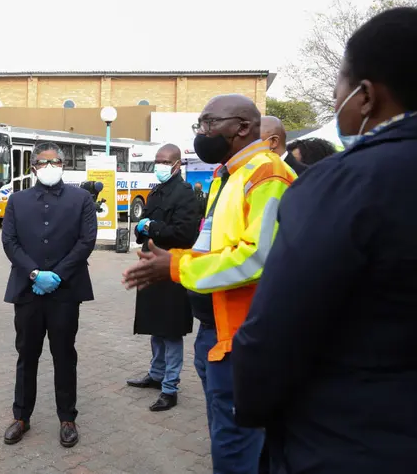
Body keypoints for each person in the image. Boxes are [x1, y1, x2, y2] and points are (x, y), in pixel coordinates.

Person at [232, 7, 417, 474]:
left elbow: (275, 331)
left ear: (365, 96)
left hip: (353, 439)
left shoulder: (341, 185)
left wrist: (256, 406)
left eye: (339, 84)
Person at [121, 94, 295, 473]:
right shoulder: (226, 175)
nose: (202, 133)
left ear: (243, 127)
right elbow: (211, 242)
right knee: (227, 433)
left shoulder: (267, 174)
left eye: (208, 123)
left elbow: (256, 257)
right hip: (215, 329)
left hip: (246, 336)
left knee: (238, 446)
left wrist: (177, 266)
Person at [1, 142, 96, 448]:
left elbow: (86, 241)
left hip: (65, 292)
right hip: (28, 291)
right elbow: (10, 241)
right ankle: (21, 417)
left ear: (64, 164)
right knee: (27, 355)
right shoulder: (17, 200)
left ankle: (67, 418)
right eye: (43, 162)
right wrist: (33, 273)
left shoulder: (81, 199)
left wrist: (58, 274)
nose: (50, 167)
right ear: (33, 168)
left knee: (64, 355)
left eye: (55, 161)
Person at [126, 144, 200, 412]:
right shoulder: (155, 191)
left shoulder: (186, 195)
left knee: (170, 330)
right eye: (157, 160)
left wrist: (152, 227)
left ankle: (170, 387)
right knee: (154, 326)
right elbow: (144, 223)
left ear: (177, 164)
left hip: (172, 268)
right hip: (150, 266)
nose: (160, 165)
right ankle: (156, 374)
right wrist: (141, 228)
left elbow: (184, 234)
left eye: (165, 161)